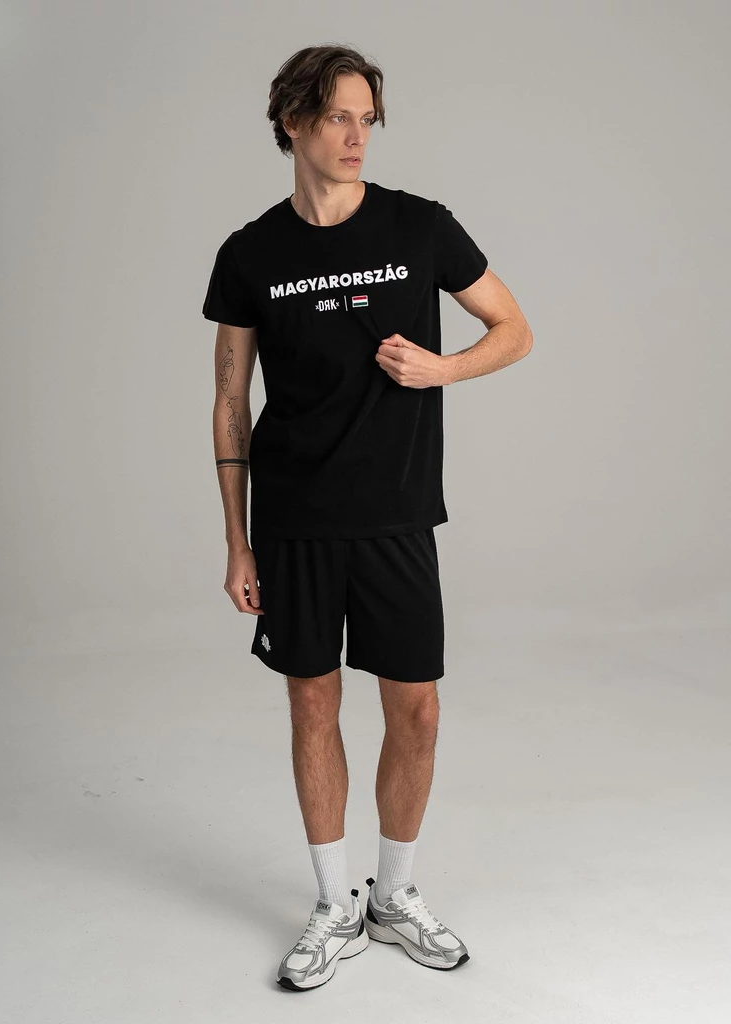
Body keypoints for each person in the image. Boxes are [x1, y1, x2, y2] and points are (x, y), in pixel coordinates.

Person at [202, 44, 532, 991]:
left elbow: (515, 328)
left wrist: (443, 368)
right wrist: (237, 541)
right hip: (295, 518)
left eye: (367, 119)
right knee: (312, 703)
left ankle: (394, 895)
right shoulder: (251, 252)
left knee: (415, 709)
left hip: (397, 514)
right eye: (338, 117)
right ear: (293, 122)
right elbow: (230, 399)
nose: (357, 136)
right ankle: (332, 904)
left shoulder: (419, 225)